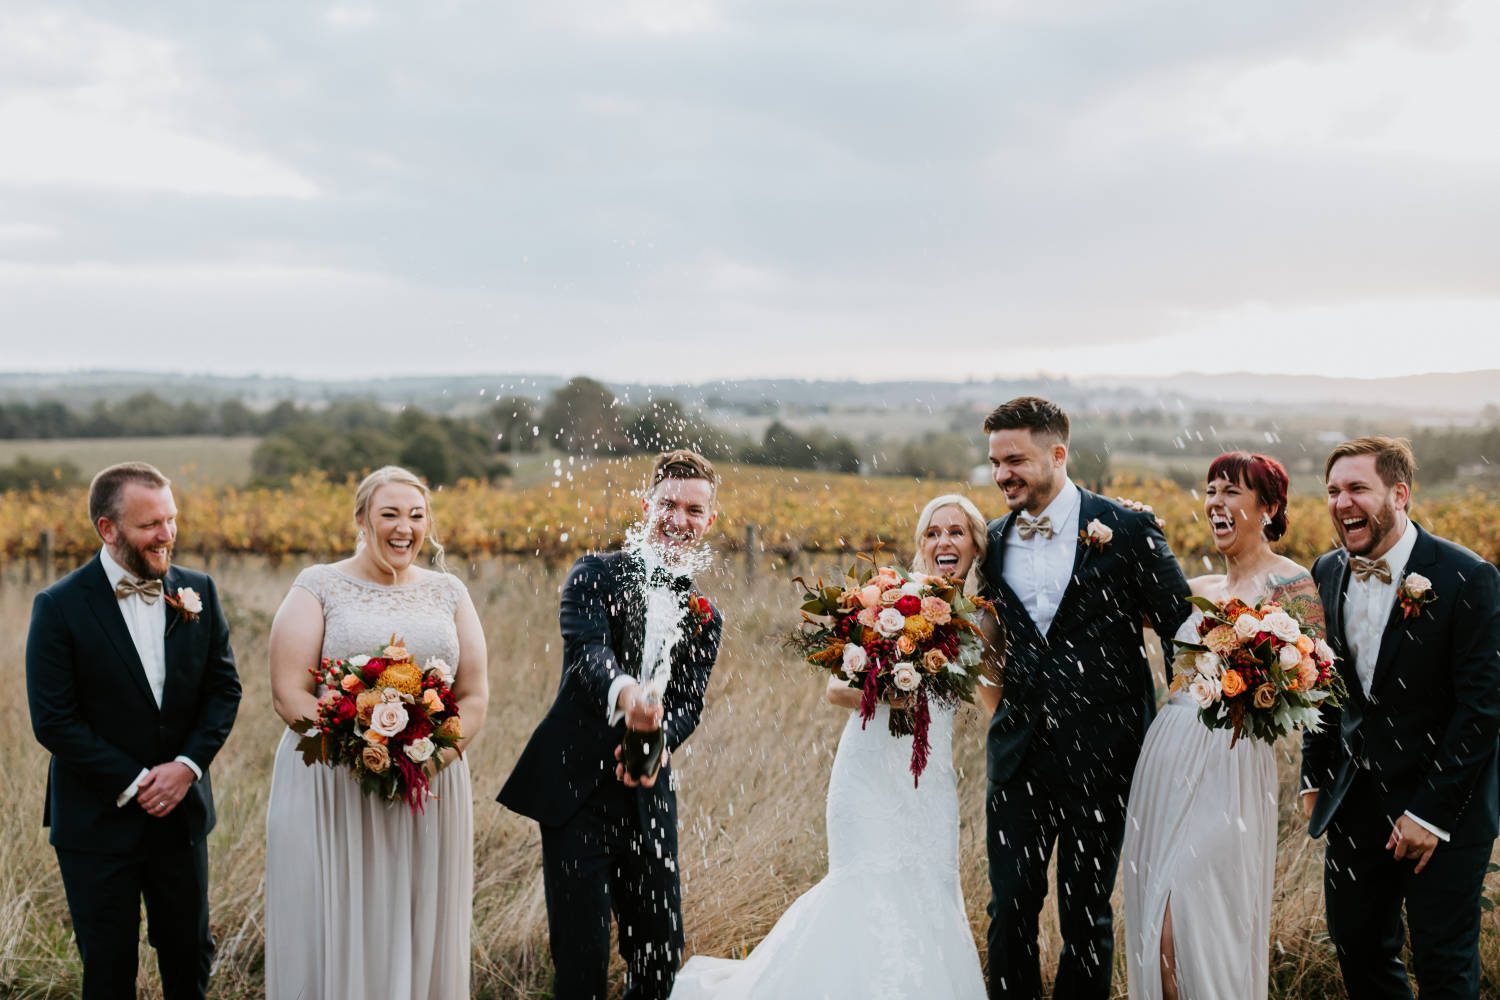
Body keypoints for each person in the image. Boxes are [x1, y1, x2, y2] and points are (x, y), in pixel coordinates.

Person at [669, 493, 1003, 1000]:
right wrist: (896, 685)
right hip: (868, 772)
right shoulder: (890, 597)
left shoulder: (982, 621)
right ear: (922, 544)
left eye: (956, 532)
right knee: (863, 886)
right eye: (933, 532)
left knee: (926, 893)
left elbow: (993, 701)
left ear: (976, 544)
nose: (944, 542)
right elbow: (835, 689)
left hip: (928, 780)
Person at [978, 395, 1191, 1000]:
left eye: (1014, 460)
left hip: (1103, 755)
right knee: (1010, 908)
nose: (1002, 476)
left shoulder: (1126, 529)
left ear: (1058, 453)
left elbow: (1183, 631)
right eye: (995, 463)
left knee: (1086, 914)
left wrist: (1180, 735)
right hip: (1017, 757)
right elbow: (989, 649)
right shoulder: (991, 542)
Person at [498, 449, 725, 1000]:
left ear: (709, 521)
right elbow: (588, 653)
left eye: (694, 510)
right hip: (577, 793)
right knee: (582, 961)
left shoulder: (706, 614)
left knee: (660, 953)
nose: (678, 519)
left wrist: (657, 740)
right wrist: (629, 698)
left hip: (648, 796)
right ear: (647, 506)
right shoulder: (594, 572)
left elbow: (689, 705)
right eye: (668, 504)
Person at [263, 465, 489, 1000]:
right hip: (334, 782)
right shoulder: (317, 586)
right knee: (335, 912)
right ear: (362, 520)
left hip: (432, 783)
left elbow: (475, 694)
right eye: (389, 514)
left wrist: (433, 758)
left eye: (415, 515)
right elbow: (288, 692)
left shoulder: (450, 591)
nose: (403, 527)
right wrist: (357, 747)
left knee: (418, 913)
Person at [25, 461, 242, 1000]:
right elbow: (54, 719)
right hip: (97, 822)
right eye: (150, 524)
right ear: (108, 529)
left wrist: (186, 769)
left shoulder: (199, 591)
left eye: (171, 519)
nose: (167, 534)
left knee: (189, 959)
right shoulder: (58, 606)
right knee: (108, 968)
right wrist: (137, 781)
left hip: (181, 818)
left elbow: (224, 691)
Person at [1301, 437, 1500, 1000]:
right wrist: (1314, 777)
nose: (1342, 503)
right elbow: (1324, 685)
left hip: (1446, 813)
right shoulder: (1326, 570)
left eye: (1358, 488)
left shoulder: (1467, 577)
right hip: (1356, 803)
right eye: (1334, 490)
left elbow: (1483, 708)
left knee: (1443, 965)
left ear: (1400, 494)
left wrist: (1430, 815)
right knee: (1359, 951)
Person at [1120, 452, 1323, 999]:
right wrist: (1130, 529)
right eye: (1211, 491)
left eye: (1232, 492)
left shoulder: (1290, 583)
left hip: (1230, 761)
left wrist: (1258, 675)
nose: (1216, 503)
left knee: (1189, 925)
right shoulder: (1196, 584)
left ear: (1269, 507)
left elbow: (1314, 674)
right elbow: (1112, 599)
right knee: (1151, 917)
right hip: (1166, 755)